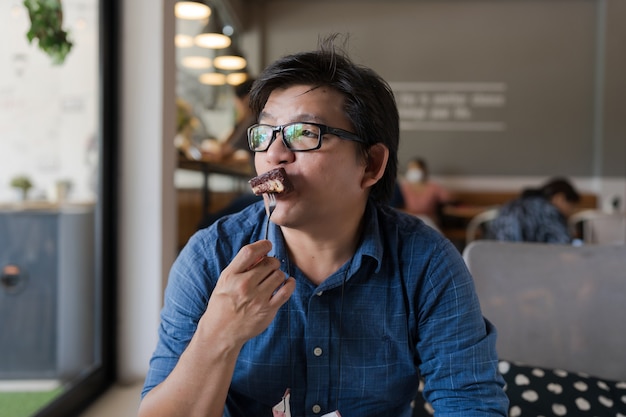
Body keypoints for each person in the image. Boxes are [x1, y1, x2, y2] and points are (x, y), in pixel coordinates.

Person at [139, 34, 508, 417]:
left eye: (304, 134)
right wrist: (218, 335)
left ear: (370, 166)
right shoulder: (209, 257)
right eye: (264, 134)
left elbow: (470, 403)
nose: (273, 155)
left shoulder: (428, 264)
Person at [486, 177, 581, 243]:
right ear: (559, 198)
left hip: (497, 260)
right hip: (526, 263)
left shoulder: (512, 204)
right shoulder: (549, 210)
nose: (570, 212)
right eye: (571, 206)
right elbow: (564, 243)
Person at [398, 157, 454, 226]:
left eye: (415, 169)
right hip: (409, 219)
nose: (412, 171)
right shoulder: (404, 187)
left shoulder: (434, 187)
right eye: (410, 169)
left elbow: (448, 200)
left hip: (428, 220)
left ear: (424, 170)